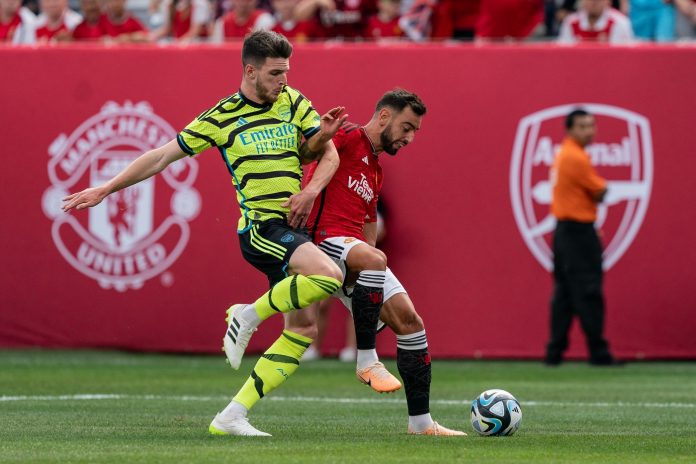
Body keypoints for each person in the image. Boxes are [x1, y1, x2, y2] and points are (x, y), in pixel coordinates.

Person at [63, 30, 349, 436]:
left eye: (286, 71)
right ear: (250, 71)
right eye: (274, 73)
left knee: (303, 328)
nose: (282, 80)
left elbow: (327, 151)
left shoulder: (293, 101)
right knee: (329, 276)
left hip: (293, 226)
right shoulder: (221, 116)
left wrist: (310, 189)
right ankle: (246, 314)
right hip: (261, 229)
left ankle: (231, 416)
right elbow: (162, 156)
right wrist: (106, 188)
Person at [304, 89, 466, 436]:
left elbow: (369, 225)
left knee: (411, 322)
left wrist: (372, 280)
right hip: (322, 239)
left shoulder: (375, 170)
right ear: (383, 117)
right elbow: (309, 153)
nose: (409, 137)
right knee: (374, 260)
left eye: (415, 132)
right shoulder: (347, 136)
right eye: (407, 127)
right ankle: (366, 360)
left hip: (354, 249)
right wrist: (321, 135)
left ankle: (421, 425)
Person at [545, 108, 622, 367]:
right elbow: (601, 191)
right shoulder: (575, 157)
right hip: (578, 233)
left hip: (565, 232)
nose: (589, 130)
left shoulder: (564, 153)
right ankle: (598, 353)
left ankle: (554, 353)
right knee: (588, 291)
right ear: (569, 130)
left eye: (591, 125)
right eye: (583, 126)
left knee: (565, 294)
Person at [557, 0, 634, 43]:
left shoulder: (620, 22)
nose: (593, 2)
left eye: (598, 0)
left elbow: (623, 55)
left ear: (608, 1)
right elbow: (563, 52)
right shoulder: (570, 22)